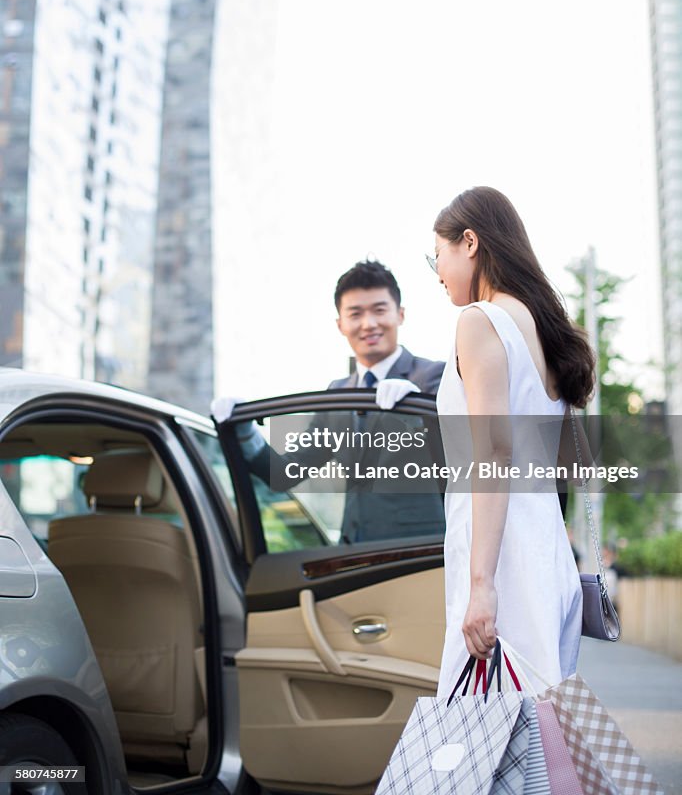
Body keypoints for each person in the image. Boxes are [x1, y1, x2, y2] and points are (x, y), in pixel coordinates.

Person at [430, 187, 595, 693]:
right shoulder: (549, 331)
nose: (437, 271)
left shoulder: (479, 321)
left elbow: (494, 453)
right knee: (543, 739)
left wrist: (481, 585)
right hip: (545, 550)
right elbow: (574, 463)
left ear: (470, 243)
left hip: (503, 562)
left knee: (478, 741)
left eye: (438, 255)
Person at [212, 259, 446, 543]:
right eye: (355, 313)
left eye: (379, 310)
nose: (368, 324)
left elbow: (458, 453)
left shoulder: (434, 377)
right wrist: (246, 430)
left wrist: (416, 408)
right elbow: (285, 475)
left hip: (421, 554)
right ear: (340, 324)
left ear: (401, 315)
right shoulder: (336, 394)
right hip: (352, 554)